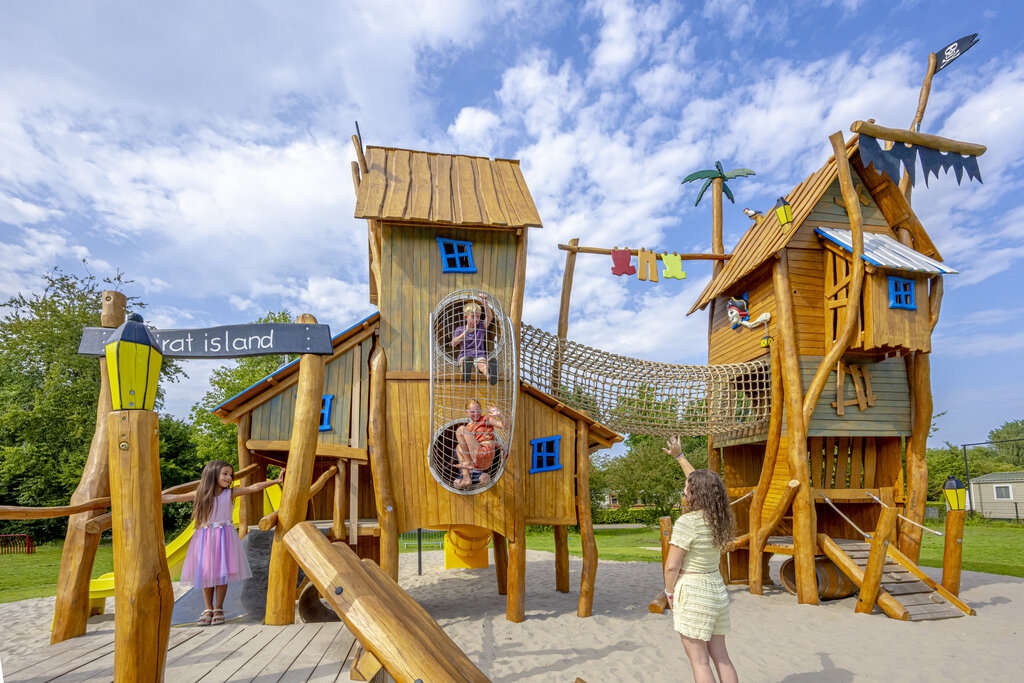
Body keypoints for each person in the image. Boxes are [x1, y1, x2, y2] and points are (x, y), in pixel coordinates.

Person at [163, 460, 285, 626]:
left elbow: (253, 487)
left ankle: (218, 608)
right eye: (225, 474)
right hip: (205, 538)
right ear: (213, 475)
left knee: (222, 573)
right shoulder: (201, 494)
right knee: (206, 574)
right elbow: (174, 497)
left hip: (224, 538)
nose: (229, 477)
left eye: (230, 474)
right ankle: (208, 608)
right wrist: (154, 496)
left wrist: (276, 481)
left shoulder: (230, 493)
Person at [662, 436, 738, 683]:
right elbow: (703, 482)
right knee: (722, 657)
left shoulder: (688, 522)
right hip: (716, 590)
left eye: (688, 488)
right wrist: (679, 457)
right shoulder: (719, 519)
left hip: (693, 593)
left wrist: (669, 593)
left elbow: (672, 566)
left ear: (695, 493)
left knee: (699, 661)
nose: (685, 489)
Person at [453, 400, 506, 489]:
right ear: (467, 413)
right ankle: (468, 479)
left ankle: (473, 475)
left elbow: (505, 426)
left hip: (482, 456)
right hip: (477, 462)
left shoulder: (486, 419)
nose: (476, 413)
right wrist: (502, 447)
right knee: (458, 447)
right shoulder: (469, 429)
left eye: (478, 410)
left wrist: (500, 415)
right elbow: (493, 442)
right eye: (473, 411)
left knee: (460, 430)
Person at [451, 294, 497, 385]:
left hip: (478, 354)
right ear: (466, 317)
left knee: (482, 364)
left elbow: (489, 317)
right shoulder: (460, 329)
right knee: (464, 362)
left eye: (478, 316)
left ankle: (489, 375)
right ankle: (466, 374)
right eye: (472, 316)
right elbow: (453, 343)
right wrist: (466, 332)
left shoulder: (480, 326)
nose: (476, 319)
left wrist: (485, 304)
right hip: (465, 354)